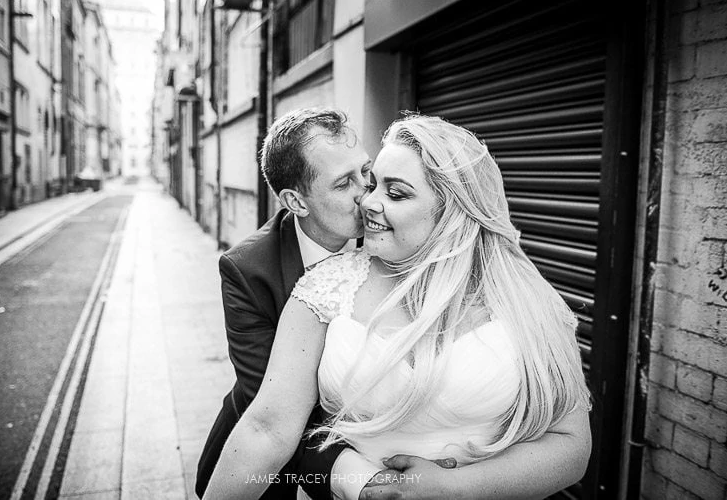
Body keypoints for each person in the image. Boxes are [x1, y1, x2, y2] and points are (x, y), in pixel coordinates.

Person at [203, 113, 592, 500]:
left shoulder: (527, 298)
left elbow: (570, 446)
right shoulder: (315, 284)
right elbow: (269, 428)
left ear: (453, 209)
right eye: (361, 185)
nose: (366, 200)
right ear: (296, 202)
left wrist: (452, 488)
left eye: (391, 190)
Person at [195, 107, 372, 499]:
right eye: (344, 183)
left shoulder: (387, 235)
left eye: (367, 172)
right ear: (296, 201)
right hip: (267, 465)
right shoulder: (247, 270)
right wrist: (356, 477)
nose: (367, 194)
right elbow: (271, 414)